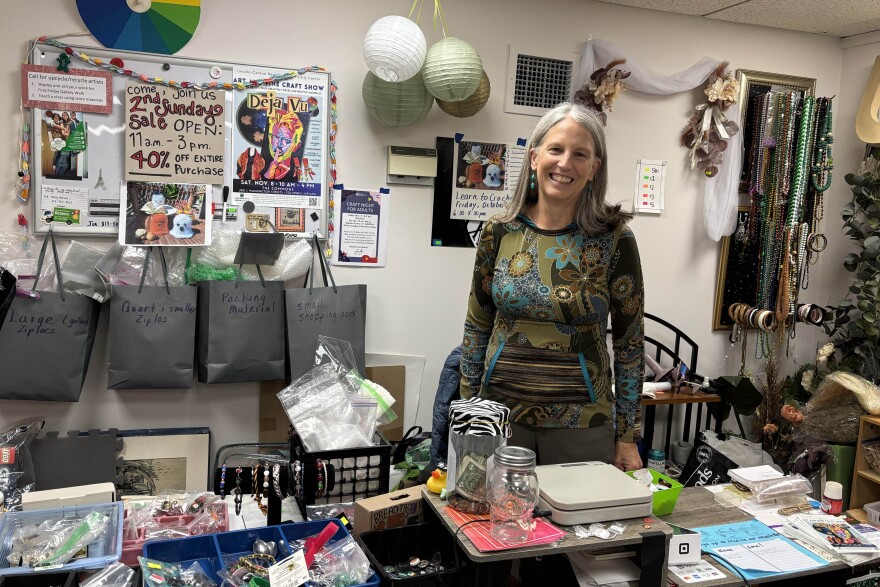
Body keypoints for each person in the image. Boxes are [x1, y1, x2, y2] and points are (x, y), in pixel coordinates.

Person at [459, 101, 645, 472]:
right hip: (498, 417)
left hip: (582, 424)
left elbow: (630, 344)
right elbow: (476, 325)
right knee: (495, 526)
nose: (565, 163)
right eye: (555, 149)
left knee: (581, 529)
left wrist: (627, 435)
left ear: (594, 169)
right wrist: (467, 409)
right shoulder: (500, 231)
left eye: (580, 154)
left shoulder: (614, 240)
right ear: (534, 157)